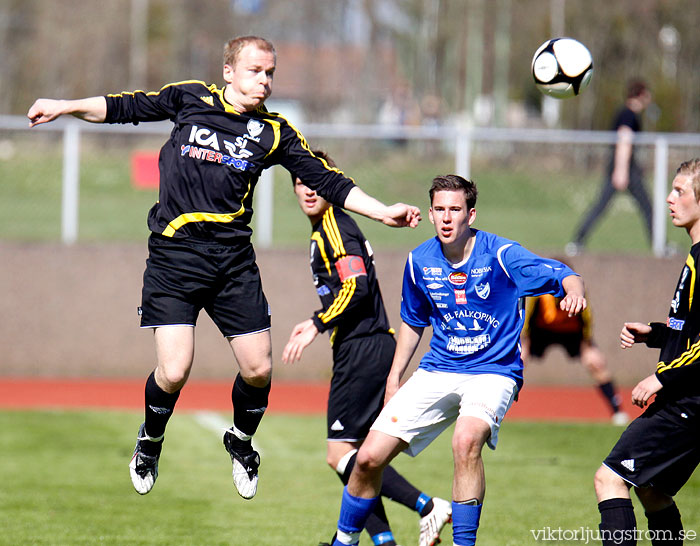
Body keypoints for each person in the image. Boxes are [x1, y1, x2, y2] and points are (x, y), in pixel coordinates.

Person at [26, 35, 421, 499]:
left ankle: (241, 441)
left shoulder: (275, 132)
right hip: (174, 257)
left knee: (259, 370)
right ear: (229, 71)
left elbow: (326, 179)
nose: (265, 81)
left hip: (232, 263)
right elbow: (122, 106)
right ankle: (150, 441)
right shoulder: (190, 98)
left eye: (271, 73)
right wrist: (64, 105)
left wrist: (382, 212)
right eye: (256, 71)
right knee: (174, 371)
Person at [329, 174, 587, 546]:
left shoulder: (501, 254)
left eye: (455, 209)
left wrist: (573, 293)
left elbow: (563, 274)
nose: (447, 217)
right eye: (440, 209)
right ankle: (344, 542)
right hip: (438, 370)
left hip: (494, 372)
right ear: (430, 214)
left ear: (471, 214)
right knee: (367, 459)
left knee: (466, 441)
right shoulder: (419, 261)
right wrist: (394, 377)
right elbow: (413, 322)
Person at [282, 150, 451, 546]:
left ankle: (428, 506)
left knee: (340, 453)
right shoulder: (323, 229)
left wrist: (316, 322)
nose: (308, 189)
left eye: (316, 182)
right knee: (365, 458)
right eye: (300, 182)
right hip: (368, 347)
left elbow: (355, 287)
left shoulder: (335, 227)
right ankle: (385, 542)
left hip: (362, 349)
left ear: (332, 184)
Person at [594, 158, 700, 546]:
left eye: (679, 191)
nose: (670, 199)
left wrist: (661, 376)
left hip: (686, 400)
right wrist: (655, 333)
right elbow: (691, 330)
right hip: (688, 397)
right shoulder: (694, 254)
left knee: (609, 478)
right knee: (652, 490)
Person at [568, 80, 653, 255]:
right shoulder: (629, 115)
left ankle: (577, 241)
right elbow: (624, 140)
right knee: (644, 207)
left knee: (642, 207)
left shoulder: (626, 113)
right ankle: (577, 241)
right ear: (641, 94)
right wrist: (621, 171)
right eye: (647, 94)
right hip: (624, 169)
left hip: (623, 168)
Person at [521, 288, 629, 425]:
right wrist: (524, 344)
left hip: (571, 333)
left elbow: (587, 320)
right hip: (542, 332)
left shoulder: (577, 293)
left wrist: (587, 345)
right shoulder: (540, 295)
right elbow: (527, 319)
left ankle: (617, 411)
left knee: (595, 362)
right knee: (519, 359)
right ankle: (500, 408)